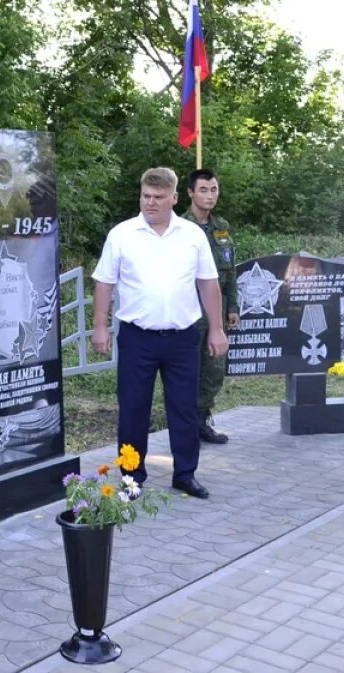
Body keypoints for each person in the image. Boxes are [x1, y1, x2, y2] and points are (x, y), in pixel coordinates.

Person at [91, 168, 228, 499]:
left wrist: (217, 328)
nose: (150, 203)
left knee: (183, 407)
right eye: (146, 196)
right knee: (134, 407)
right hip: (138, 338)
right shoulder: (123, 235)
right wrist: (99, 325)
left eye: (158, 197)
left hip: (182, 338)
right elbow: (104, 282)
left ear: (174, 198)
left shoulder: (192, 236)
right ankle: (132, 476)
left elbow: (208, 283)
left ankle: (185, 473)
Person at [180, 169, 239, 444]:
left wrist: (233, 307)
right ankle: (185, 425)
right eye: (203, 190)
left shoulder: (221, 227)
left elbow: (230, 272)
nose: (210, 195)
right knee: (187, 369)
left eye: (214, 189)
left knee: (214, 369)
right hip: (188, 312)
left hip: (216, 311)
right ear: (191, 192)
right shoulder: (178, 227)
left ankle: (202, 419)